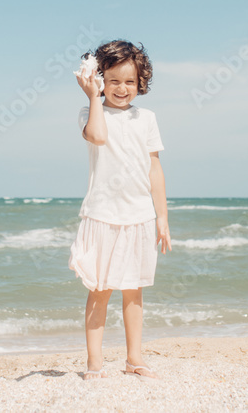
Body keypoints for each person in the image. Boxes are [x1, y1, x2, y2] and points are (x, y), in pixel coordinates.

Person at [68, 39, 172, 381]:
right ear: (100, 80)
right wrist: (92, 95)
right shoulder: (91, 112)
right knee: (99, 289)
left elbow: (154, 169)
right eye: (113, 81)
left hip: (139, 215)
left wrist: (163, 218)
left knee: (134, 290)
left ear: (141, 82)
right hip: (101, 213)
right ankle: (95, 363)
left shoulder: (148, 119)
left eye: (129, 81)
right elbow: (97, 137)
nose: (122, 88)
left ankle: (134, 359)